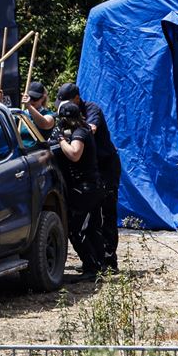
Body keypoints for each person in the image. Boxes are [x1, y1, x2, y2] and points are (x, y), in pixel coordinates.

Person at [56, 82, 121, 271]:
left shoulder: (92, 109)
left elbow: (90, 129)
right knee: (92, 219)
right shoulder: (70, 112)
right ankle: (96, 260)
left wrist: (72, 130)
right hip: (92, 167)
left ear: (77, 98)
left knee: (106, 213)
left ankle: (109, 261)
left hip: (106, 165)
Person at [56, 101, 105, 281]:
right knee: (91, 228)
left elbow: (74, 154)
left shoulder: (80, 132)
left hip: (86, 189)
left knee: (76, 230)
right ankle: (95, 265)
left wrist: (60, 140)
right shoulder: (83, 129)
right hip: (92, 186)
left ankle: (91, 268)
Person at [1, 81, 55, 147]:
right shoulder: (20, 115)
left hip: (37, 153)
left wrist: (29, 106)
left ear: (43, 98)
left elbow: (45, 124)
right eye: (30, 97)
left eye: (35, 98)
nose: (31, 100)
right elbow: (5, 122)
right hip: (19, 152)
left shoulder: (48, 114)